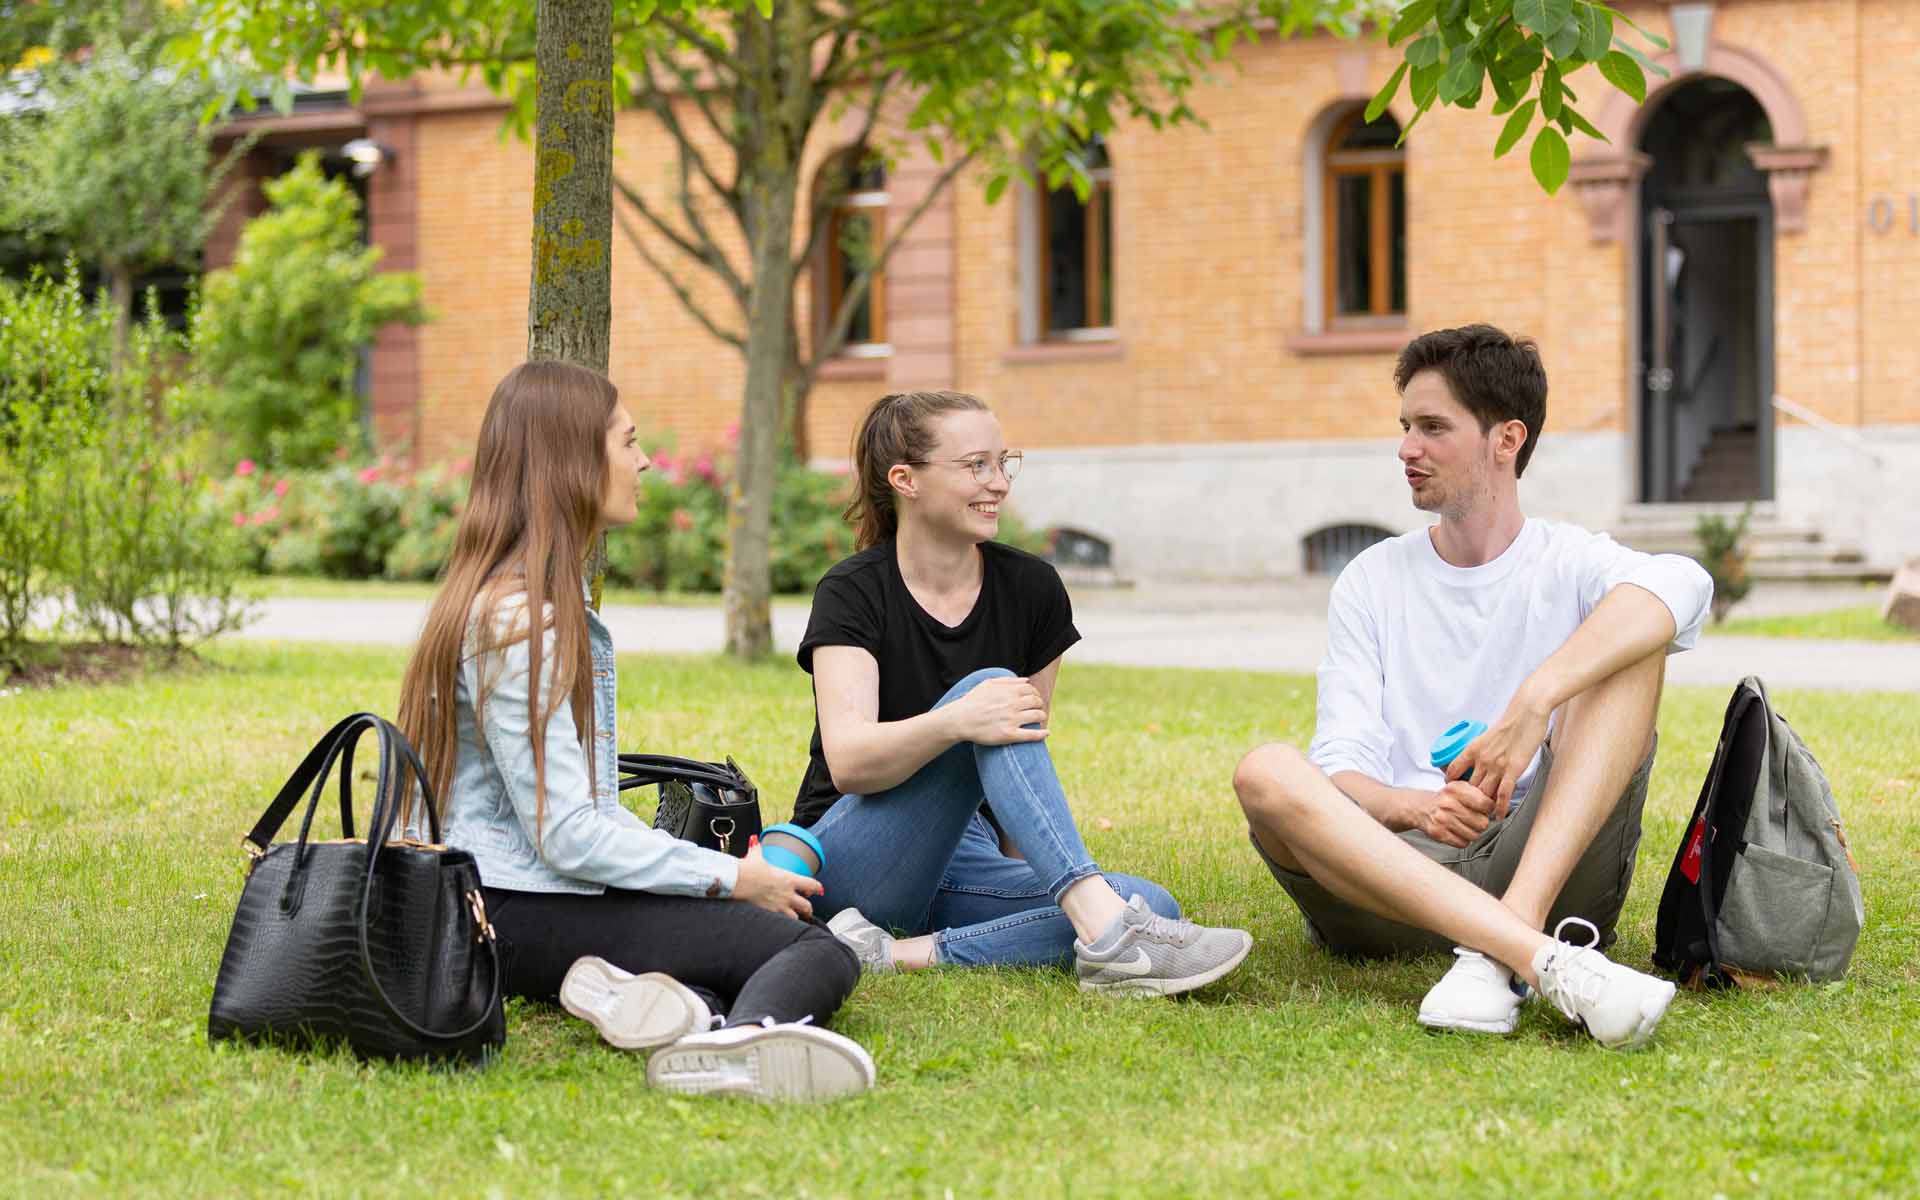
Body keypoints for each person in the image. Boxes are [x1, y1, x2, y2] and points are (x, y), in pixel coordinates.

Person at [395, 360, 872, 1102]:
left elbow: (578, 814)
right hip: (508, 909)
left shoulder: (506, 598)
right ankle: (738, 1047)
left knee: (717, 947)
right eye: (628, 441)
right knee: (818, 949)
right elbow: (569, 837)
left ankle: (657, 1006)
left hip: (494, 903)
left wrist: (704, 881)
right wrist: (736, 877)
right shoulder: (524, 621)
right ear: (572, 461)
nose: (645, 461)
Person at [1232, 325, 1713, 1049]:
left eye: (1432, 428)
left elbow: (1685, 583)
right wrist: (1412, 807)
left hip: (1544, 864)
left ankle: (1506, 940)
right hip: (1392, 879)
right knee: (1264, 772)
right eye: (1404, 427)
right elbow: (1338, 762)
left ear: (1506, 439)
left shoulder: (1569, 561)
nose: (1406, 449)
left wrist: (1535, 700)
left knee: (1638, 644)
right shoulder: (1372, 578)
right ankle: (1533, 957)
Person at [794, 389, 1253, 995]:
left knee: (1150, 900)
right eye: (975, 465)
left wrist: (1023, 874)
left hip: (970, 856)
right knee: (991, 692)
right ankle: (1105, 932)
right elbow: (850, 762)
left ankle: (898, 953)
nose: (999, 484)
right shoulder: (852, 591)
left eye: (1002, 462)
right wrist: (959, 720)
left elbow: (1022, 749)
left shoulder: (1031, 589)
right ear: (905, 480)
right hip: (857, 856)